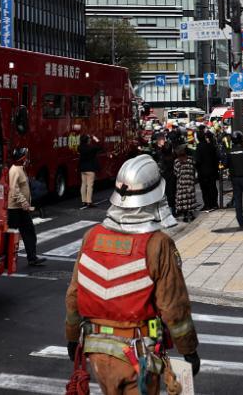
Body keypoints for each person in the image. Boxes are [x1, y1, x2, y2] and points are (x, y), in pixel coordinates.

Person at [64, 155, 201, 395]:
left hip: (98, 351)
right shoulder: (158, 244)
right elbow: (173, 307)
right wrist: (189, 350)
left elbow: (74, 293)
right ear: (155, 197)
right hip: (138, 355)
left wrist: (72, 337)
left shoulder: (92, 237)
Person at [7, 148, 46, 267]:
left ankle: (32, 258)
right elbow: (14, 190)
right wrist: (25, 203)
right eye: (25, 156)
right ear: (22, 158)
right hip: (15, 208)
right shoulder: (14, 170)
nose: (27, 159)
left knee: (29, 232)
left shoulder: (21, 169)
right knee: (11, 235)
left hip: (21, 208)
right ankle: (7, 260)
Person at [225, 132, 243, 229]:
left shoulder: (230, 152)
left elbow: (225, 164)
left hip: (235, 178)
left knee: (238, 199)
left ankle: (240, 220)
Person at [194, 131, 220, 211]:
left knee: (205, 189)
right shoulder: (211, 146)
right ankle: (215, 204)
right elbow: (216, 158)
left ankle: (207, 205)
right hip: (212, 170)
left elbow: (197, 161)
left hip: (203, 172)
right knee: (213, 187)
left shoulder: (199, 147)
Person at [173, 144, 198, 222]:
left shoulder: (177, 161)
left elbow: (176, 173)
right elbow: (194, 169)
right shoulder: (191, 159)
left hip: (181, 184)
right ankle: (191, 213)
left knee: (183, 199)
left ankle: (185, 216)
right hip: (190, 182)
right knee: (190, 198)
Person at [78, 134, 103, 209]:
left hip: (82, 168)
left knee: (83, 184)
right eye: (89, 139)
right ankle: (89, 201)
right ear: (88, 140)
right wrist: (96, 140)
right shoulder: (91, 148)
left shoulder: (80, 147)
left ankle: (83, 201)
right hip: (90, 168)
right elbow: (100, 147)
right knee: (90, 185)